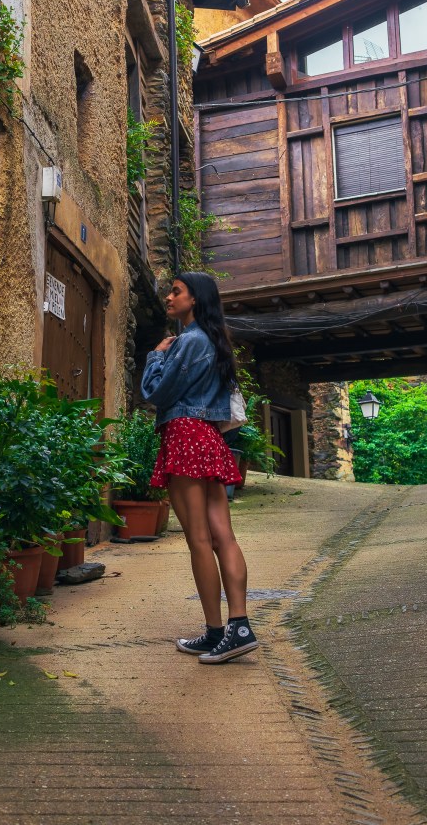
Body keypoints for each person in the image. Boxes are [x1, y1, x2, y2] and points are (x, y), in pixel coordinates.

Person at [140, 271, 258, 664]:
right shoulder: (214, 340)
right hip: (208, 436)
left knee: (199, 540)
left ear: (195, 300)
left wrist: (156, 355)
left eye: (176, 292)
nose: (169, 298)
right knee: (223, 535)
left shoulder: (188, 342)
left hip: (185, 435)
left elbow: (156, 393)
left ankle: (216, 632)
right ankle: (237, 627)